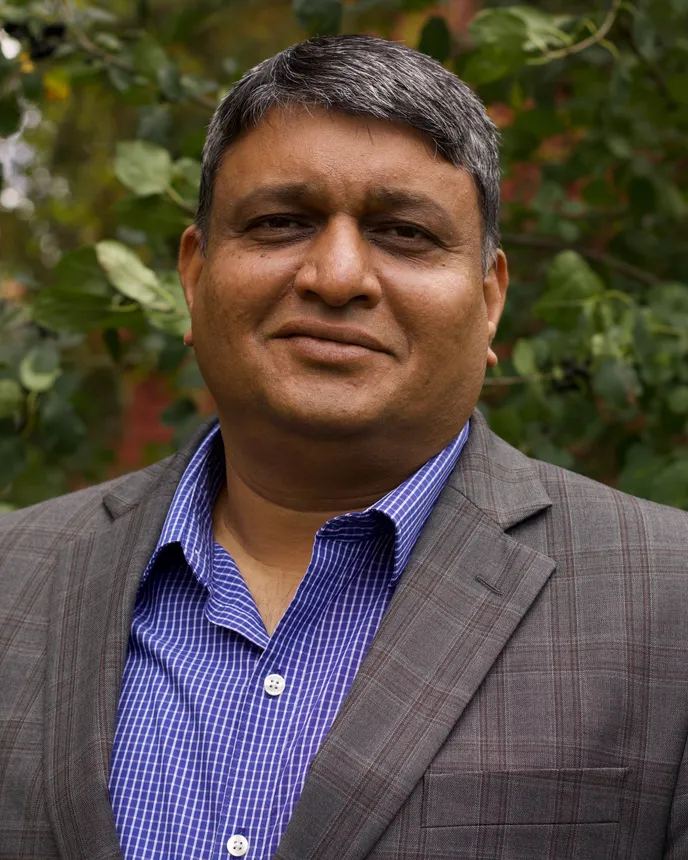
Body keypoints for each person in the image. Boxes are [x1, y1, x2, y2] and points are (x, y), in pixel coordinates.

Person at [0, 33, 686, 860]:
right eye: (280, 222)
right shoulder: (15, 576)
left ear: (490, 298)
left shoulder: (668, 602)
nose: (336, 275)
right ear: (194, 275)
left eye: (404, 233)